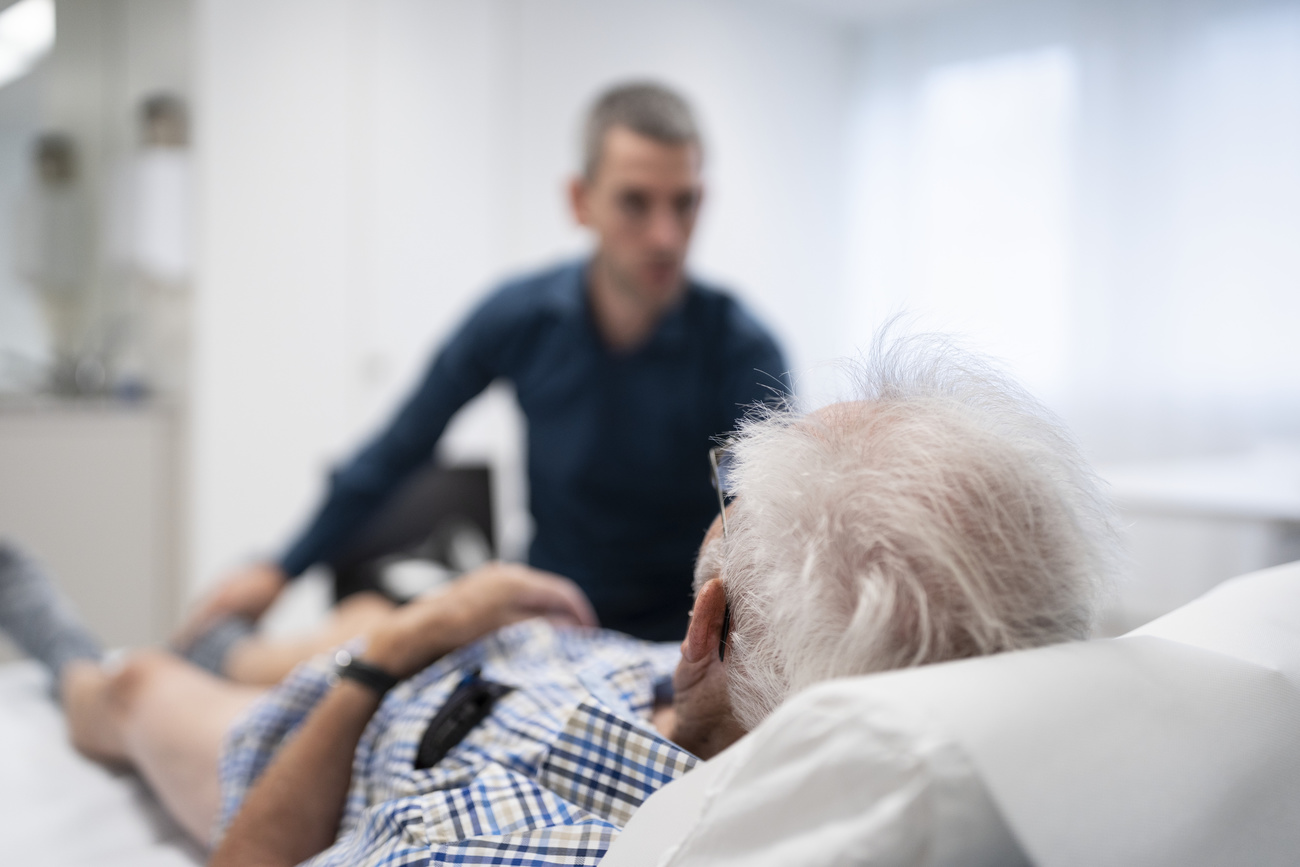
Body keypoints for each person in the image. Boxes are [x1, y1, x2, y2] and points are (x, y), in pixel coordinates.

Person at [0, 331, 1118, 866]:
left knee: (143, 683)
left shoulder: (512, 846)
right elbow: (399, 440)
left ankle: (63, 648)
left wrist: (385, 663)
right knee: (327, 619)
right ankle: (244, 633)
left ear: (710, 626)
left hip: (354, 725)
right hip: (515, 657)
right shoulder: (783, 698)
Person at [178, 81, 788, 656]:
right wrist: (279, 569)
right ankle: (201, 662)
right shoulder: (520, 318)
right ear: (581, 202)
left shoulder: (742, 349)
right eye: (635, 202)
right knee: (365, 637)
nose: (665, 235)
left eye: (683, 204)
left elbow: (768, 526)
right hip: (547, 624)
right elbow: (397, 450)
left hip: (684, 645)